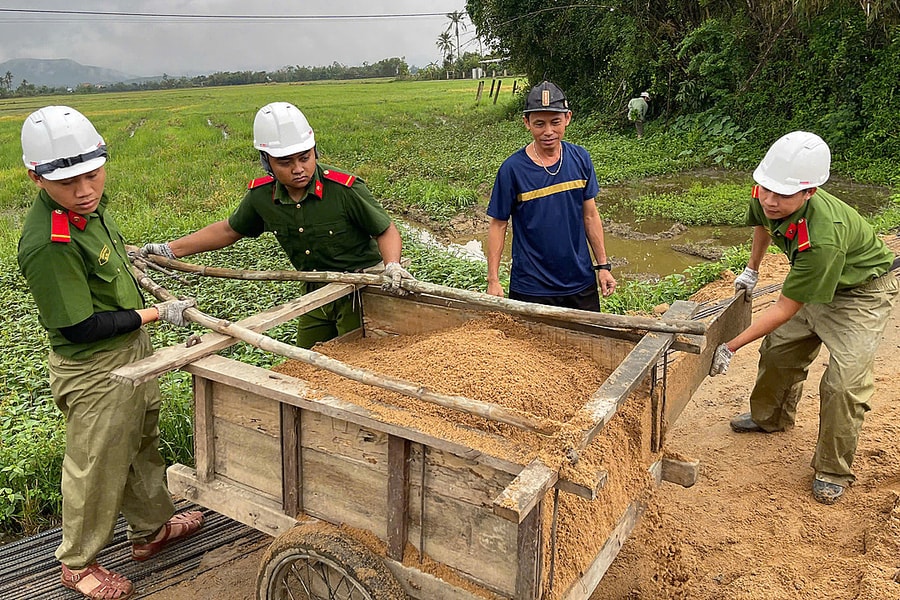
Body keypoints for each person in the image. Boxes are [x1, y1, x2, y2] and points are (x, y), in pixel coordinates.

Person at [17, 106, 203, 600]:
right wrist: (157, 316)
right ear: (35, 176)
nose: (84, 190)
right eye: (68, 182)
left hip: (130, 350)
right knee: (96, 461)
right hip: (96, 367)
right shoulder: (49, 242)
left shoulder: (91, 208)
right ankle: (77, 564)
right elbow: (79, 327)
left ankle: (150, 531)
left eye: (92, 174)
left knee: (142, 440)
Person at [709, 131, 898, 505]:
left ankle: (832, 469)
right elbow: (762, 224)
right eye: (766, 190)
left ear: (809, 192)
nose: (770, 200)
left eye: (782, 195)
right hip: (814, 279)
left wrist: (730, 346)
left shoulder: (823, 237)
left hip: (859, 294)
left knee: (844, 384)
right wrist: (752, 269)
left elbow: (784, 307)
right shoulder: (766, 192)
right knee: (779, 350)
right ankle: (771, 417)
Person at [141, 101, 413, 348]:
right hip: (314, 291)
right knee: (306, 362)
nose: (298, 169)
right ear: (266, 162)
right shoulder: (262, 197)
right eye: (285, 162)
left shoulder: (343, 189)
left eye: (305, 158)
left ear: (314, 151)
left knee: (362, 358)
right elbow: (228, 230)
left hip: (359, 290)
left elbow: (385, 230)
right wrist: (170, 250)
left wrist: (392, 266)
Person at [486, 80, 616, 311]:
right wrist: (493, 280)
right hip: (531, 287)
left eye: (555, 122)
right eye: (539, 124)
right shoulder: (512, 169)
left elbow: (590, 216)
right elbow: (498, 224)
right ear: (526, 123)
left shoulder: (580, 159)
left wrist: (603, 266)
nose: (548, 132)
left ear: (567, 118)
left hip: (580, 283)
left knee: (588, 344)